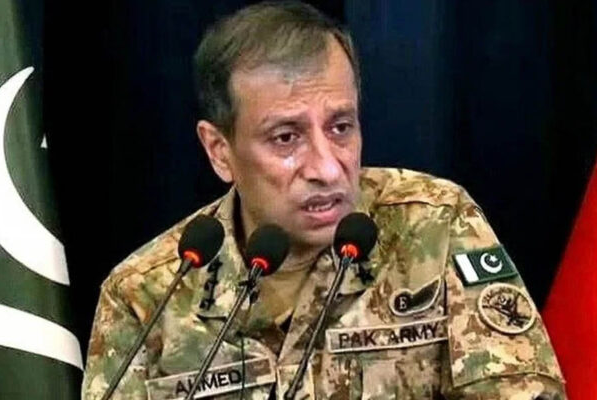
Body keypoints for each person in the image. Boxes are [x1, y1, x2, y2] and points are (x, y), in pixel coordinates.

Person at [82, 2, 566, 399]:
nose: (328, 168)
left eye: (340, 127)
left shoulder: (435, 226)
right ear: (219, 151)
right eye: (286, 137)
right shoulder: (145, 296)